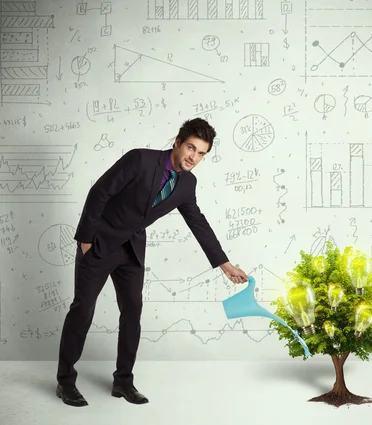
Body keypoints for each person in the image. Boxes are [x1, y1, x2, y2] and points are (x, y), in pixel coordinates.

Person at [55, 118, 248, 407]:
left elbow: (198, 222)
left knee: (132, 313)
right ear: (177, 143)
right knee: (83, 310)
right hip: (99, 244)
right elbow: (100, 192)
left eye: (201, 154)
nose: (194, 158)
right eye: (191, 148)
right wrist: (85, 239)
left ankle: (123, 381)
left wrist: (225, 264)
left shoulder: (187, 183)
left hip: (131, 251)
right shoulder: (140, 159)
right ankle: (65, 382)